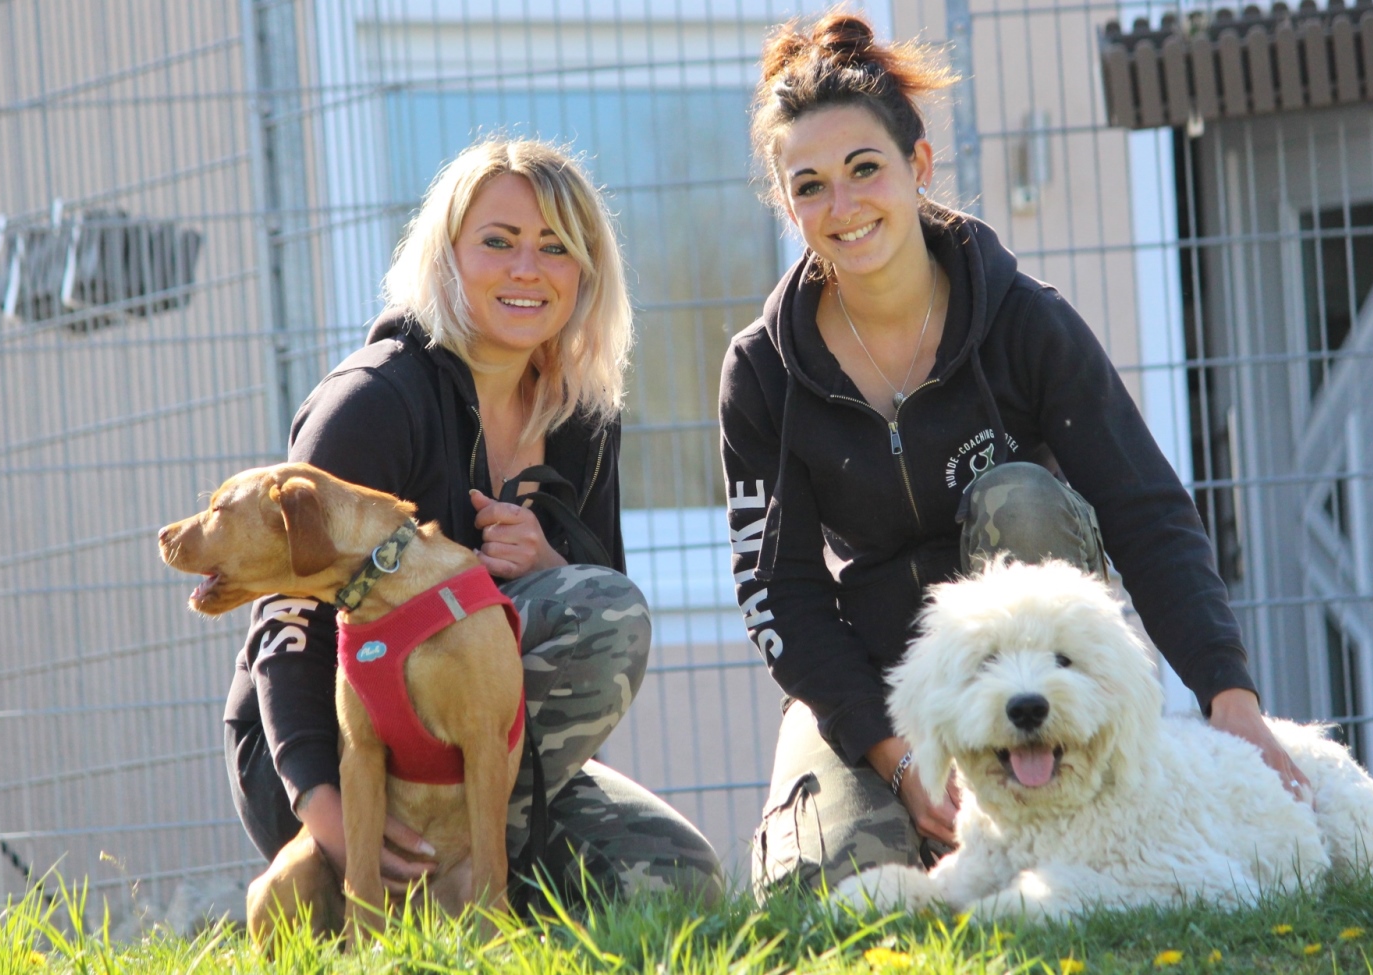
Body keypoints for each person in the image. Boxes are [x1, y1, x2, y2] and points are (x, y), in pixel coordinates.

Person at [719, 13, 1311, 898]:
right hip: (886, 680)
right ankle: (942, 824)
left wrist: (1233, 700)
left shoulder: (1027, 320)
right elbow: (782, 594)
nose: (842, 208)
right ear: (786, 200)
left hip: (1035, 662)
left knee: (1019, 496)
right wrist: (899, 750)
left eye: (865, 169)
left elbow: (1144, 506)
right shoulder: (762, 373)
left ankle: (1056, 780)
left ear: (918, 167)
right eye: (810, 186)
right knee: (820, 893)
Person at [224, 138, 723, 906]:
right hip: (329, 760)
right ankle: (403, 890)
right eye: (499, 242)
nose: (527, 268)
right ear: (445, 255)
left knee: (678, 877)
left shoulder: (581, 413)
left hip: (477, 757)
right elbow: (287, 625)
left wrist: (549, 562)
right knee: (601, 611)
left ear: (586, 273)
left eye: (556, 247)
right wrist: (327, 811)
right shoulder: (372, 403)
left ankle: (464, 887)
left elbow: (600, 602)